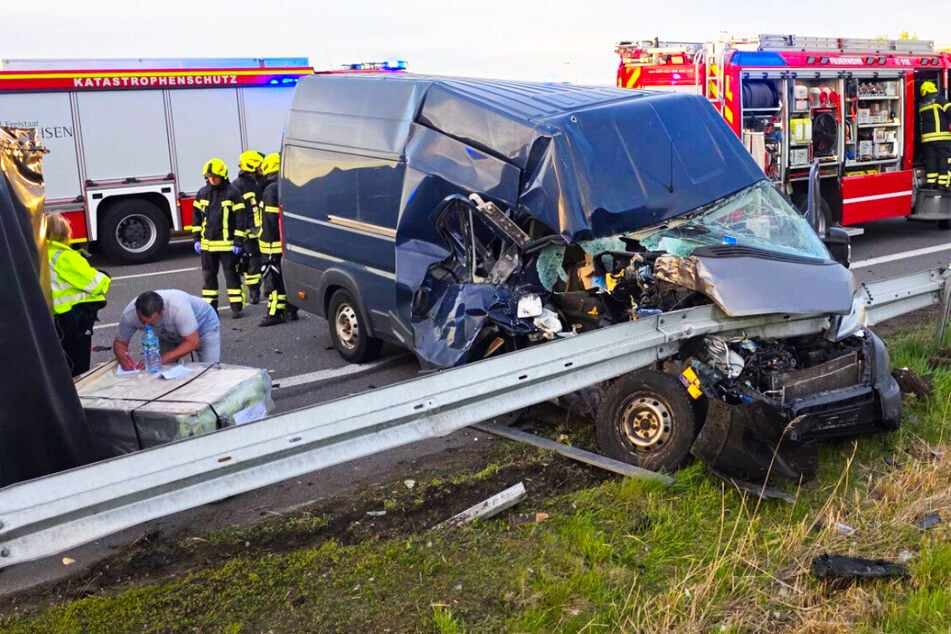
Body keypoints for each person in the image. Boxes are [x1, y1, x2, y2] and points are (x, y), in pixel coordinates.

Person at [46, 212, 111, 376]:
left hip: (54, 319)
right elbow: (95, 284)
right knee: (79, 367)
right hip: (74, 320)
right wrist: (105, 278)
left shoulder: (41, 255)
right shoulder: (65, 257)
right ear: (65, 233)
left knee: (62, 365)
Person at [193, 157, 248, 318]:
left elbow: (240, 218)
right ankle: (211, 309)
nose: (212, 179)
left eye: (215, 176)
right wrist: (196, 238)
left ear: (222, 175)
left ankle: (236, 307)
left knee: (231, 276)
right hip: (207, 245)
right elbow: (196, 218)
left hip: (227, 245)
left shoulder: (232, 193)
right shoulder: (202, 193)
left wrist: (238, 241)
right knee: (208, 278)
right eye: (210, 177)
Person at [113, 289, 221, 369]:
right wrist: (124, 360)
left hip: (203, 327)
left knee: (210, 371)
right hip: (166, 332)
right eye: (142, 321)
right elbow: (120, 343)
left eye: (150, 321)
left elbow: (193, 342)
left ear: (162, 311)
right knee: (163, 371)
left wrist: (162, 359)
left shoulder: (178, 308)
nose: (146, 325)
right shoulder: (129, 315)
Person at [257, 152, 299, 326]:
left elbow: (270, 221)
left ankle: (274, 313)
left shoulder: (270, 190)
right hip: (283, 242)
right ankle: (291, 309)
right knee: (284, 277)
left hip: (270, 244)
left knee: (272, 279)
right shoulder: (284, 186)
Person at [233, 150, 265, 305]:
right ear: (251, 166)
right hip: (248, 231)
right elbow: (238, 212)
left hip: (262, 228)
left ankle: (265, 288)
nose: (261, 168)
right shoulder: (238, 185)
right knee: (252, 262)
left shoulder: (260, 181)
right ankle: (254, 290)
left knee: (264, 260)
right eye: (259, 165)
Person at [917, 80, 951, 192]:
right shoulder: (939, 100)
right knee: (943, 159)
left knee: (930, 160)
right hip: (941, 137)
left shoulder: (922, 103)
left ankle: (931, 183)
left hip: (927, 139)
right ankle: (942, 184)